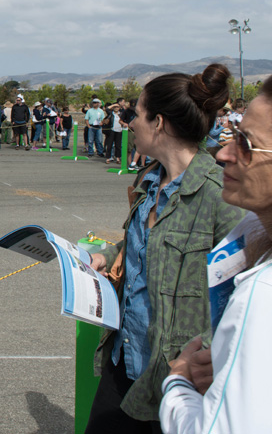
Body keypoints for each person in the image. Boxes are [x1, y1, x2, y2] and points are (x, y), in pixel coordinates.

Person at [86, 64, 246, 433]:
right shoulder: (149, 181)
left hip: (180, 380)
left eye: (136, 114)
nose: (129, 123)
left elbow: (246, 290)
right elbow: (143, 243)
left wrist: (209, 352)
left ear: (158, 122)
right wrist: (108, 256)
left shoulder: (220, 195)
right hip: (125, 360)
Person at [158, 76, 272, 433]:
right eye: (232, 137)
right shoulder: (252, 236)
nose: (223, 153)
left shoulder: (262, 292)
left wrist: (177, 382)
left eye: (246, 144)